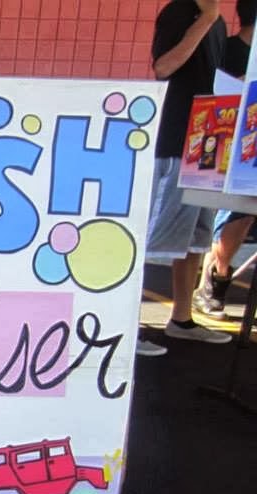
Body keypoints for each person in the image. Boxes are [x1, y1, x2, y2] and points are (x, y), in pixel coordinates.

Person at [139, 0, 234, 356]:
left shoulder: (219, 21)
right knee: (153, 237)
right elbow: (164, 66)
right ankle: (126, 325)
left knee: (196, 237)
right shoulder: (181, 12)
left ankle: (181, 318)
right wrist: (206, 19)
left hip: (209, 139)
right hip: (176, 140)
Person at [193, 0, 257, 320]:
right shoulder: (227, 51)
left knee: (243, 216)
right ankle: (213, 280)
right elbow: (210, 97)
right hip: (225, 144)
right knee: (233, 214)